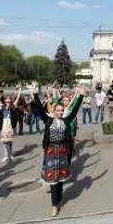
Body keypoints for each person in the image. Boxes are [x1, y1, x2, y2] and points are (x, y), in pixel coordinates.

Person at [34, 83, 83, 216]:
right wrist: (34, 94)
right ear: (54, 111)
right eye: (58, 110)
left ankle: (59, 197)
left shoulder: (66, 121)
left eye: (62, 110)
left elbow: (74, 110)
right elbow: (38, 109)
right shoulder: (48, 120)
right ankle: (54, 205)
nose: (61, 112)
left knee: (60, 178)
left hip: (62, 151)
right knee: (52, 179)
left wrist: (81, 96)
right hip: (50, 151)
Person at [0, 86, 21, 163]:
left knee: (10, 141)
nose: (8, 102)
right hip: (4, 126)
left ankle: (10, 155)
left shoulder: (13, 107)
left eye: (9, 100)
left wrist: (19, 91)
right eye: (6, 100)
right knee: (4, 142)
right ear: (5, 101)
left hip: (11, 126)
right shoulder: (2, 107)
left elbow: (17, 98)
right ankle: (6, 155)